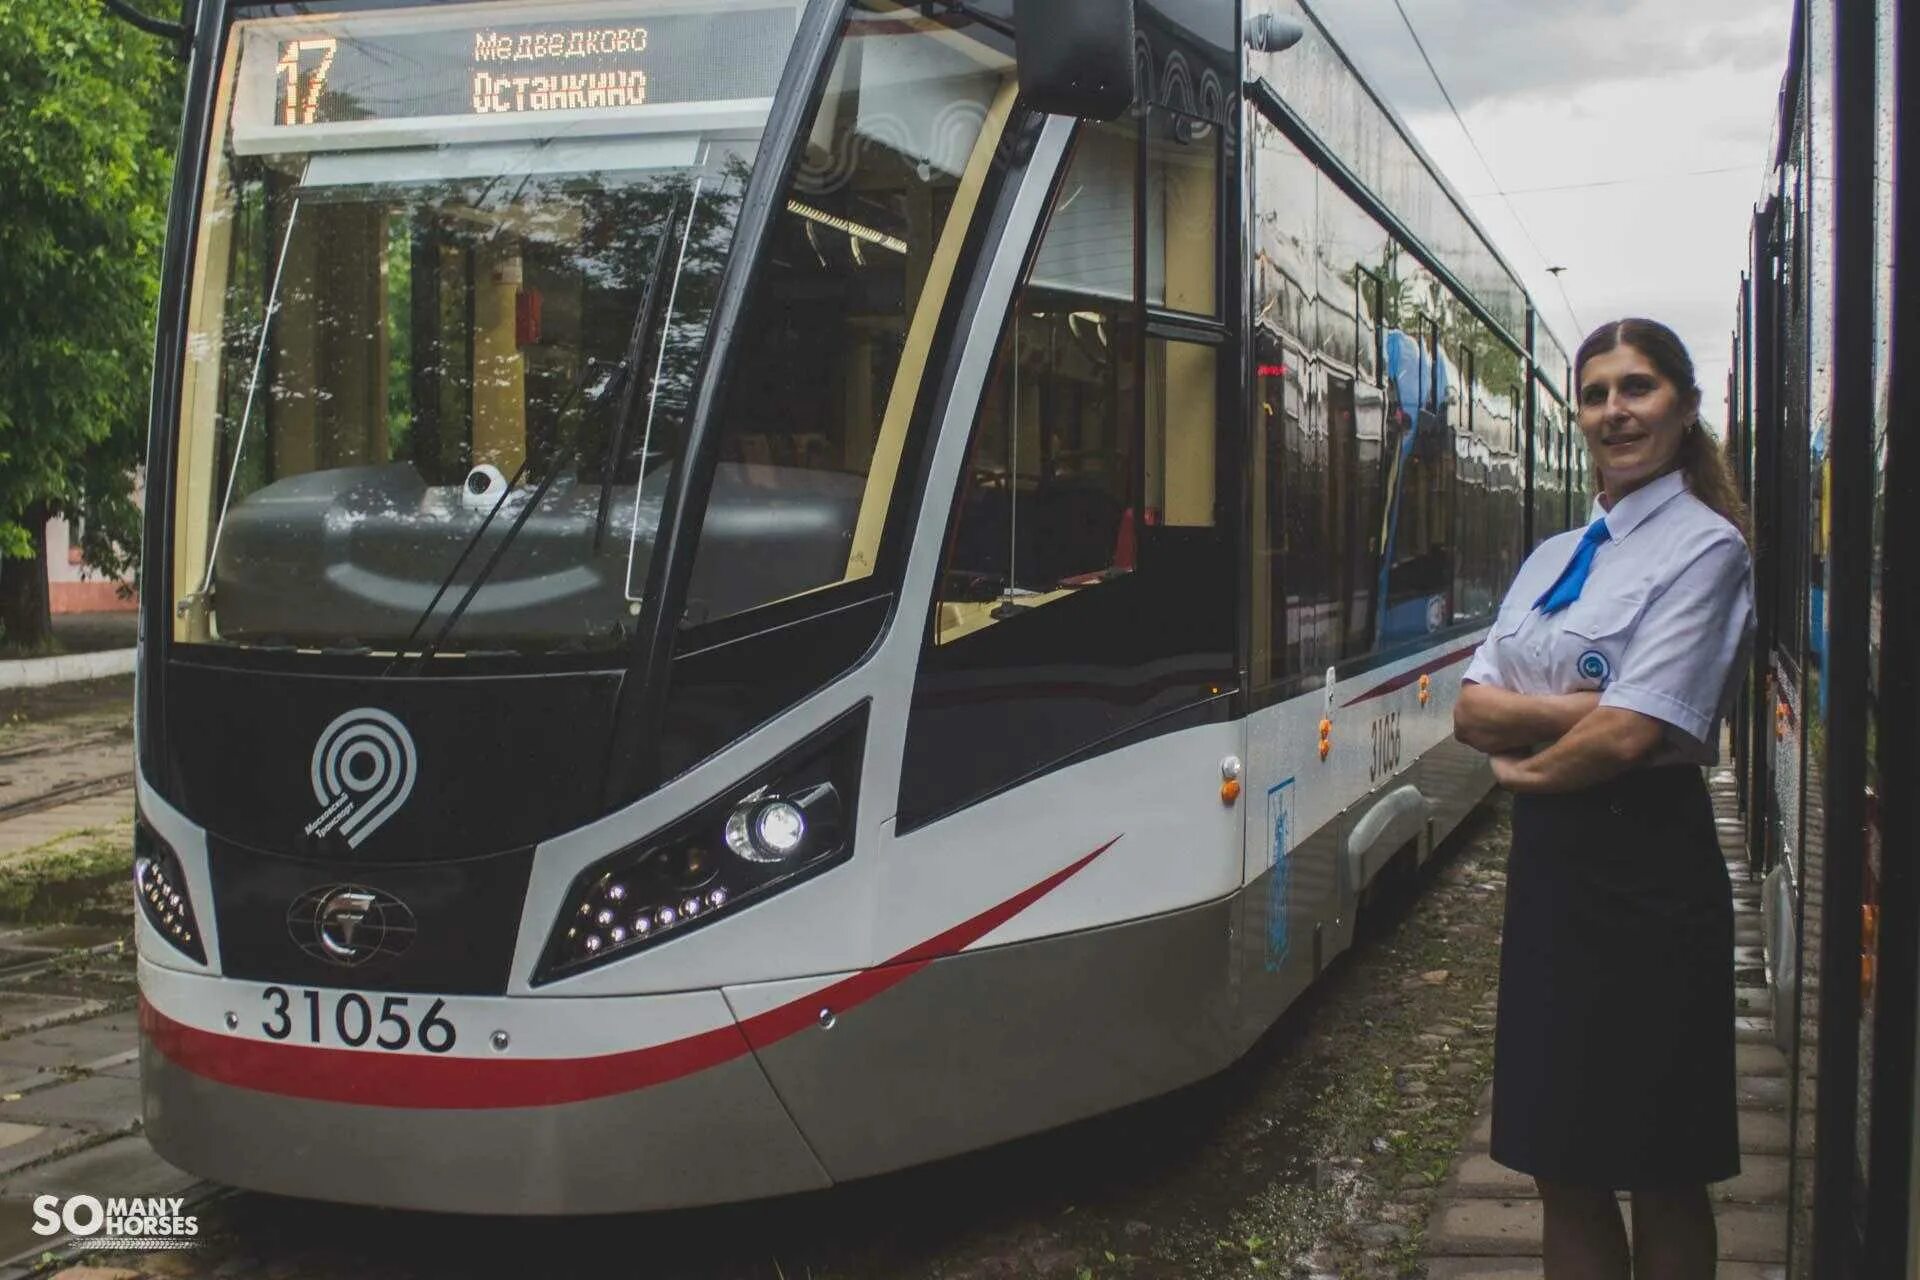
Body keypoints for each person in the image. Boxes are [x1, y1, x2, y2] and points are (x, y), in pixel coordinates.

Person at [1453, 318, 1754, 1280]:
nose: (1614, 411)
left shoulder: (1708, 551)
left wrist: (1524, 764)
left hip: (1653, 873)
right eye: (1595, 394)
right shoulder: (1552, 557)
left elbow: (1636, 735)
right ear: (1577, 414)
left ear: (1684, 405)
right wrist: (1589, 709)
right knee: (1560, 1167)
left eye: (1638, 388)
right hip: (1555, 879)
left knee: (1665, 1169)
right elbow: (1466, 710)